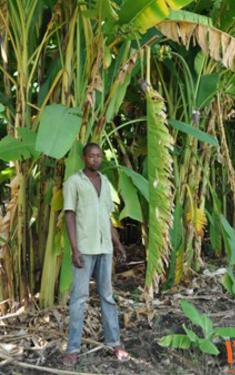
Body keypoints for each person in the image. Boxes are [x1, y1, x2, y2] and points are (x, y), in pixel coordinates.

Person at [62, 142, 130, 367]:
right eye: (91, 156)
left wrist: (117, 243)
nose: (96, 159)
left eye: (99, 156)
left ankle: (114, 343)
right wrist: (74, 249)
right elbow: (69, 215)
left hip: (105, 248)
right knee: (78, 298)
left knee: (107, 296)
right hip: (84, 248)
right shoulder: (74, 182)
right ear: (83, 158)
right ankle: (73, 349)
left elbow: (106, 217)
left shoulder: (105, 181)